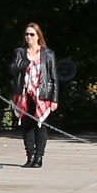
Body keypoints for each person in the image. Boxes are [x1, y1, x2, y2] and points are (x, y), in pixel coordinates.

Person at [11, 23, 58, 169]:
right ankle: (30, 156)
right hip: (24, 94)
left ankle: (39, 157)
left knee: (40, 125)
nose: (29, 37)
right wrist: (25, 61)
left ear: (38, 36)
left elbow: (53, 77)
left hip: (42, 94)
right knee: (27, 126)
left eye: (32, 34)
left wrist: (54, 99)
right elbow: (12, 69)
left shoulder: (48, 54)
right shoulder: (20, 52)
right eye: (26, 34)